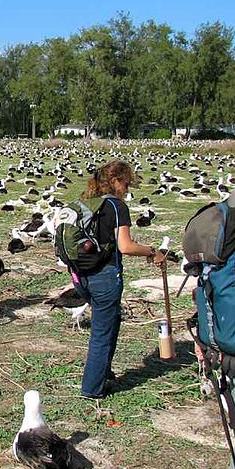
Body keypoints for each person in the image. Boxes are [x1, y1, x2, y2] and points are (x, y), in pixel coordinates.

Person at [74, 160, 165, 398]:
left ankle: (103, 372)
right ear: (115, 181)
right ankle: (93, 388)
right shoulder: (115, 207)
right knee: (102, 333)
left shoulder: (86, 203)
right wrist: (152, 251)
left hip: (81, 276)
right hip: (104, 276)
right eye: (126, 184)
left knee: (110, 321)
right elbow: (125, 246)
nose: (127, 189)